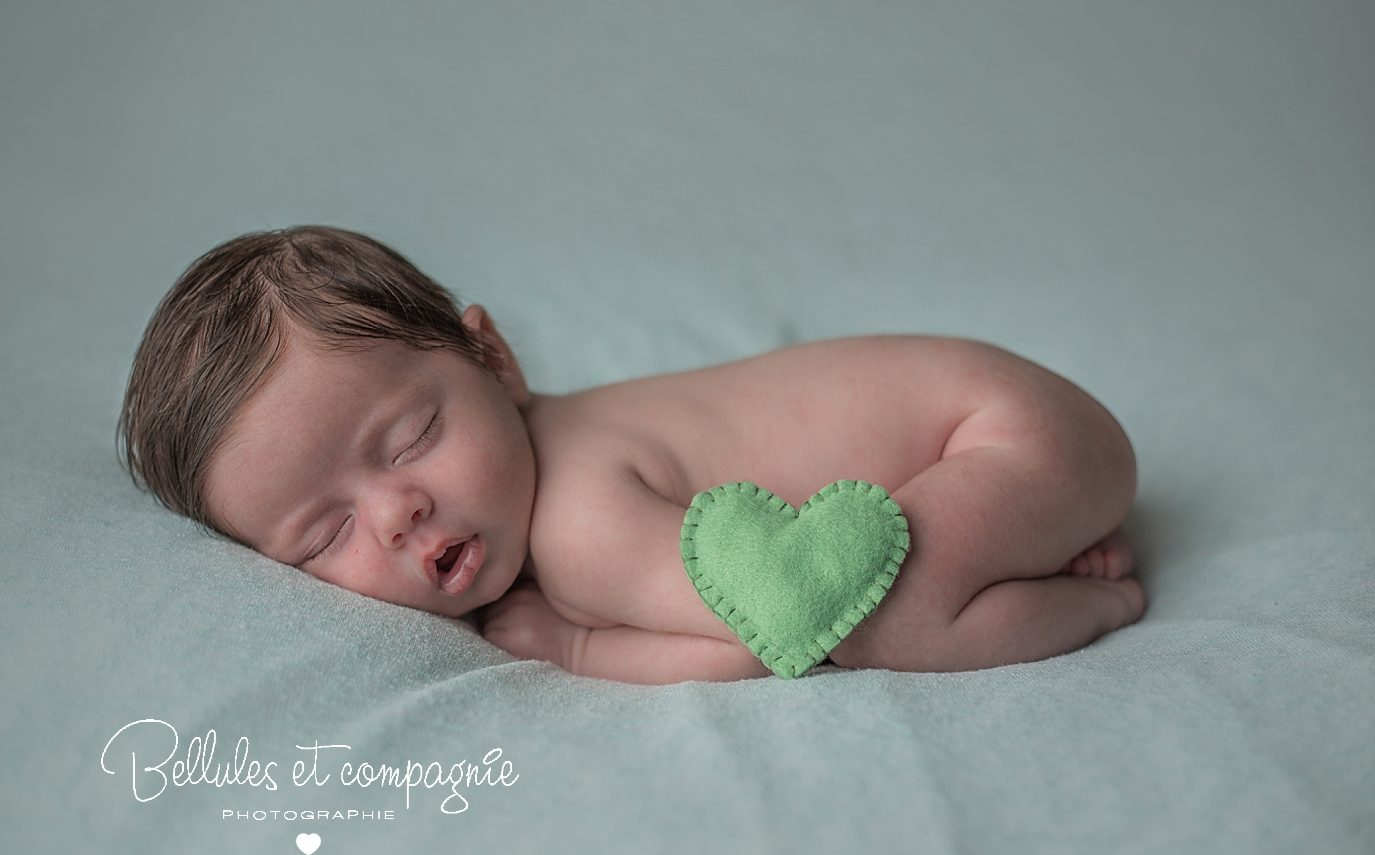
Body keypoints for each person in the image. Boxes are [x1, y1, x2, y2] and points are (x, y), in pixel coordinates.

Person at [120, 225, 1145, 685]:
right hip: (1004, 413)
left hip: (1008, 434)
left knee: (883, 615)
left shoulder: (578, 525)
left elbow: (774, 628)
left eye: (413, 437)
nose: (396, 514)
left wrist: (578, 649)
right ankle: (1027, 536)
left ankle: (1092, 597)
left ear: (495, 358)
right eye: (323, 533)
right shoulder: (545, 443)